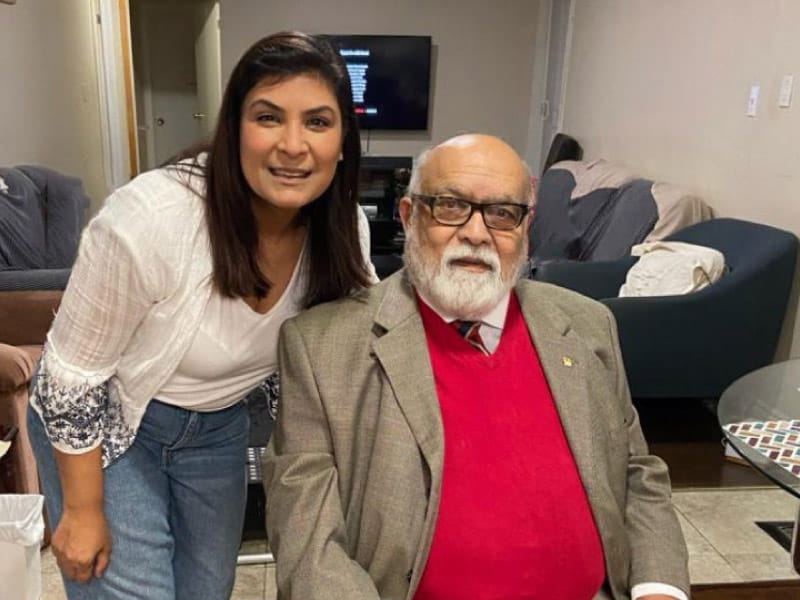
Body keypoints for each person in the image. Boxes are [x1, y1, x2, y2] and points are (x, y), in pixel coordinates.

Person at [27, 31, 377, 600]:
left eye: (317, 122)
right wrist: (83, 510)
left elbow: (359, 351)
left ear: (343, 142)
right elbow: (71, 379)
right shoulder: (152, 218)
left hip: (216, 424)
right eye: (268, 118)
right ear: (234, 129)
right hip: (107, 420)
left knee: (206, 589)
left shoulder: (344, 235)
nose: (293, 145)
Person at [264, 134, 690, 600]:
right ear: (409, 217)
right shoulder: (321, 347)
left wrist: (660, 589)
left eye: (502, 213)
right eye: (450, 206)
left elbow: (637, 473)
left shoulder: (588, 326)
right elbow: (309, 543)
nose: (475, 232)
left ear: (525, 229)